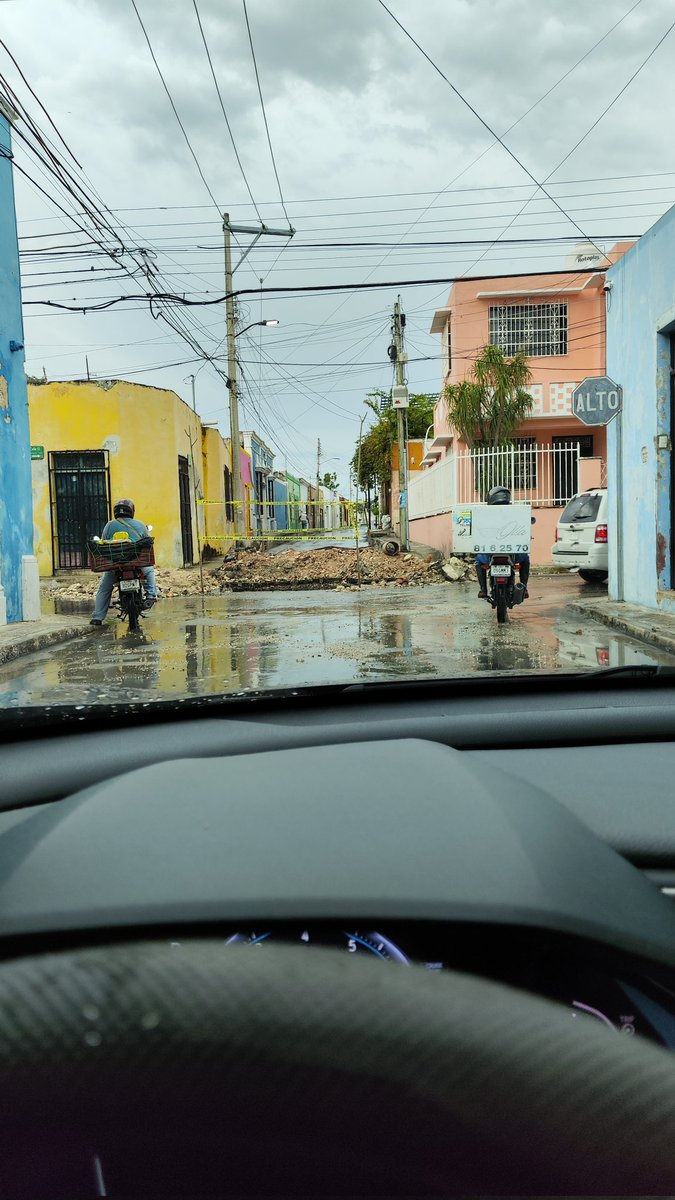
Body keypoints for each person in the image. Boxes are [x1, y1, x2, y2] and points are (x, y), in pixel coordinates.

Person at [90, 498, 157, 625]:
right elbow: (148, 541)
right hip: (136, 562)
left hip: (116, 564)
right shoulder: (140, 524)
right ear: (131, 511)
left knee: (105, 588)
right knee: (149, 571)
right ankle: (151, 596)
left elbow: (103, 543)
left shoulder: (109, 525)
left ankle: (97, 617)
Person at [475, 485, 531, 601]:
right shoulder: (515, 511)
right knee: (525, 559)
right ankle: (524, 588)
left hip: (490, 553)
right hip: (512, 552)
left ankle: (483, 589)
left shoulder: (484, 513)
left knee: (478, 561)